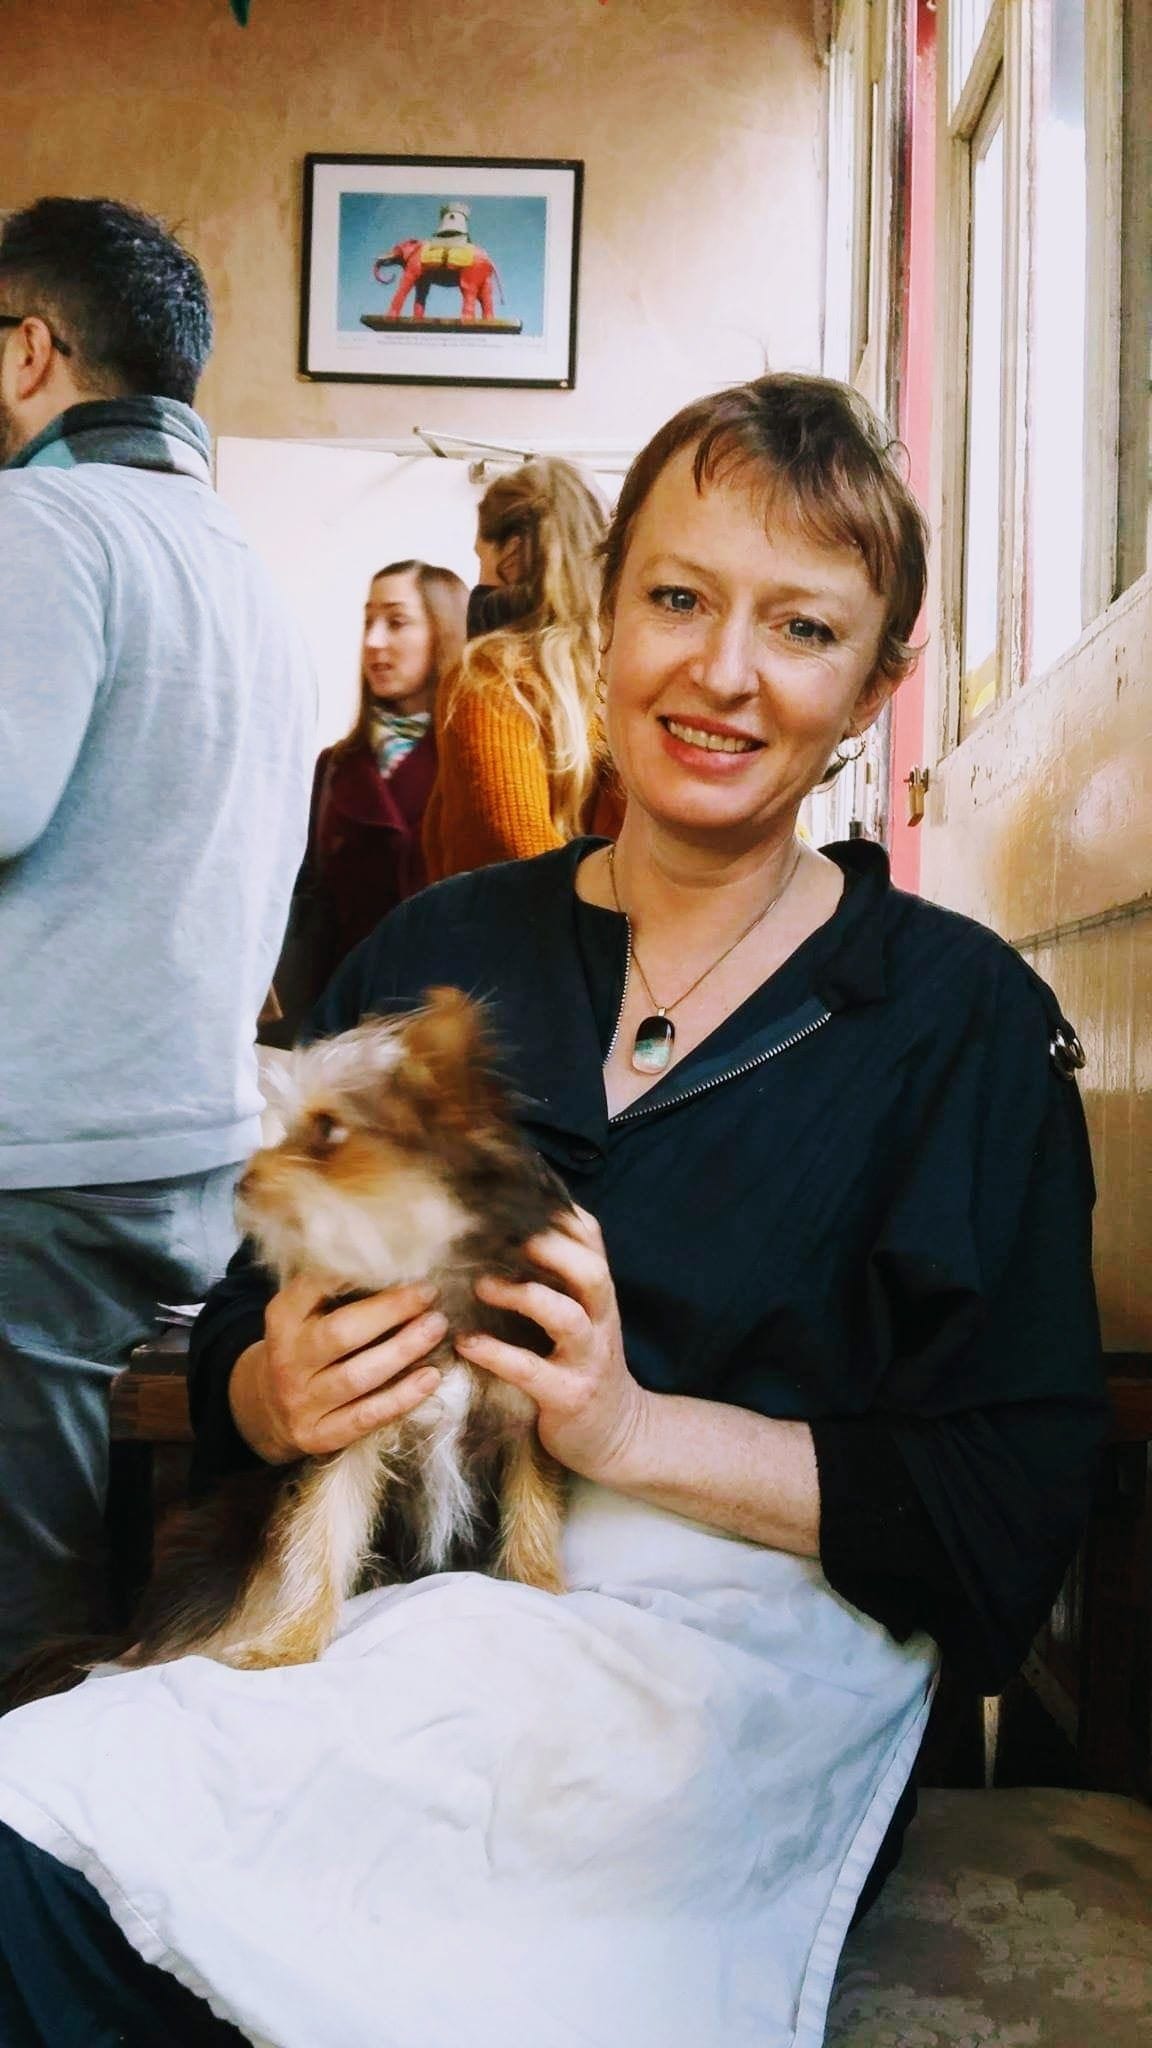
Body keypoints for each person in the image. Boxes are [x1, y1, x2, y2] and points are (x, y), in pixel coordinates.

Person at [0, 373, 1106, 2048]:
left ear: (876, 685)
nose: (719, 672)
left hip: (733, 1674)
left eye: (798, 628)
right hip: (390, 1611)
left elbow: (1000, 1508)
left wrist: (631, 1425)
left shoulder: (951, 1028)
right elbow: (244, 1309)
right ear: (605, 619)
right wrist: (268, 1382)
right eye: (676, 598)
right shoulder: (433, 955)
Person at [0, 197, 315, 1681]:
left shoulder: (44, 520)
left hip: (34, 1165)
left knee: (28, 1605)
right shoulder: (251, 569)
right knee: (116, 1579)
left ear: (28, 351)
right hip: (188, 1150)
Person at [273, 559, 468, 1032]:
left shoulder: (473, 761)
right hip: (342, 1031)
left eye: (396, 622)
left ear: (442, 631)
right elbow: (307, 905)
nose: (374, 642)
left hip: (442, 1032)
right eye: (368, 622)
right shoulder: (335, 765)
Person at [421, 455, 621, 878]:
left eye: (480, 556)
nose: (477, 573)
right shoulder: (618, 669)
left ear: (511, 553)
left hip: (499, 936)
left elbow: (515, 848)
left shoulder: (490, 677)